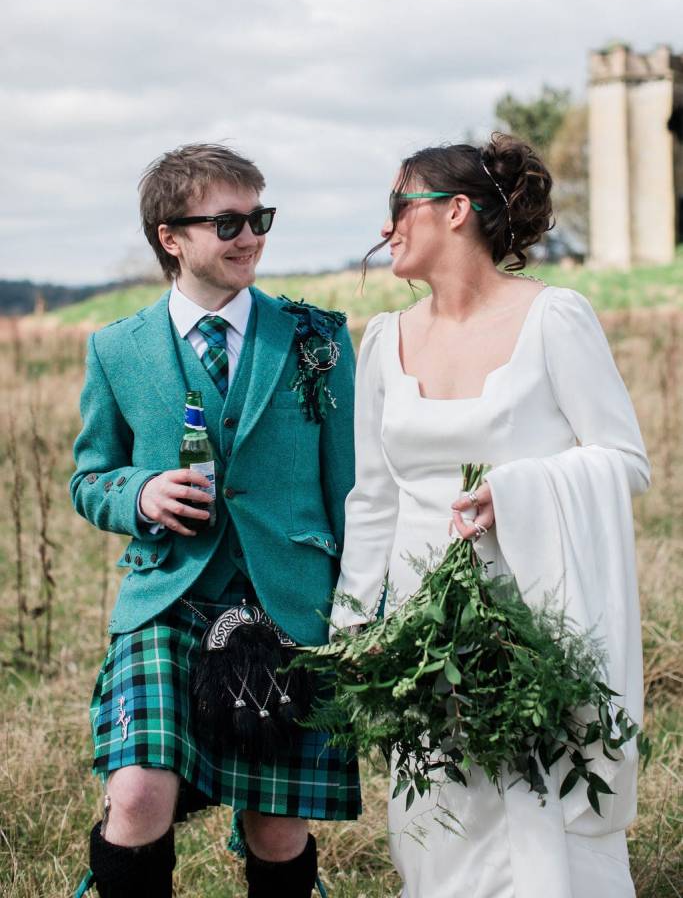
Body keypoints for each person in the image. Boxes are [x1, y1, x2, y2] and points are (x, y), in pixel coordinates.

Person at [330, 133, 649, 898]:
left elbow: (623, 459)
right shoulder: (382, 339)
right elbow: (371, 497)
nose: (386, 228)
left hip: (531, 611)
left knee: (532, 807)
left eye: (399, 207)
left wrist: (518, 492)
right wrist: (353, 624)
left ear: (457, 212)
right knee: (438, 810)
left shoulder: (553, 318)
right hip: (418, 625)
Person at [70, 143, 359, 898]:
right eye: (228, 221)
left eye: (260, 218)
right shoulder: (116, 349)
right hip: (168, 594)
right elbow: (89, 475)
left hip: (288, 597)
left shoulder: (315, 339)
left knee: (275, 822)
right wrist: (139, 495)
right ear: (171, 236)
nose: (251, 237)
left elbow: (351, 484)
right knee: (136, 794)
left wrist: (365, 607)